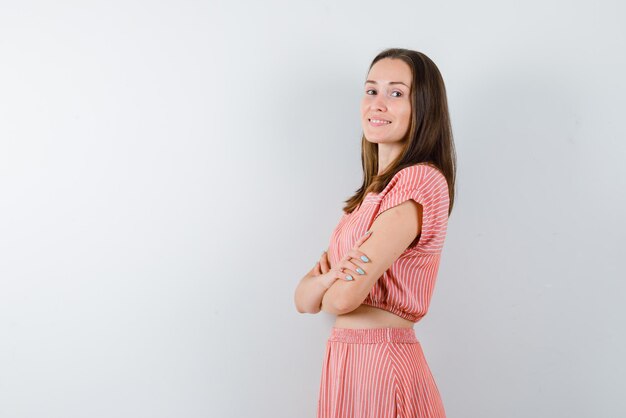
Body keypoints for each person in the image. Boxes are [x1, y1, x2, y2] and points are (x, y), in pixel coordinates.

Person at [293, 47, 456, 418]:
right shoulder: (369, 198)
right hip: (347, 359)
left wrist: (328, 285)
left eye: (396, 93)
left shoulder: (419, 181)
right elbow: (303, 300)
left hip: (380, 361)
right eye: (371, 90)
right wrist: (330, 282)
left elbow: (340, 301)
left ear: (424, 107)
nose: (377, 104)